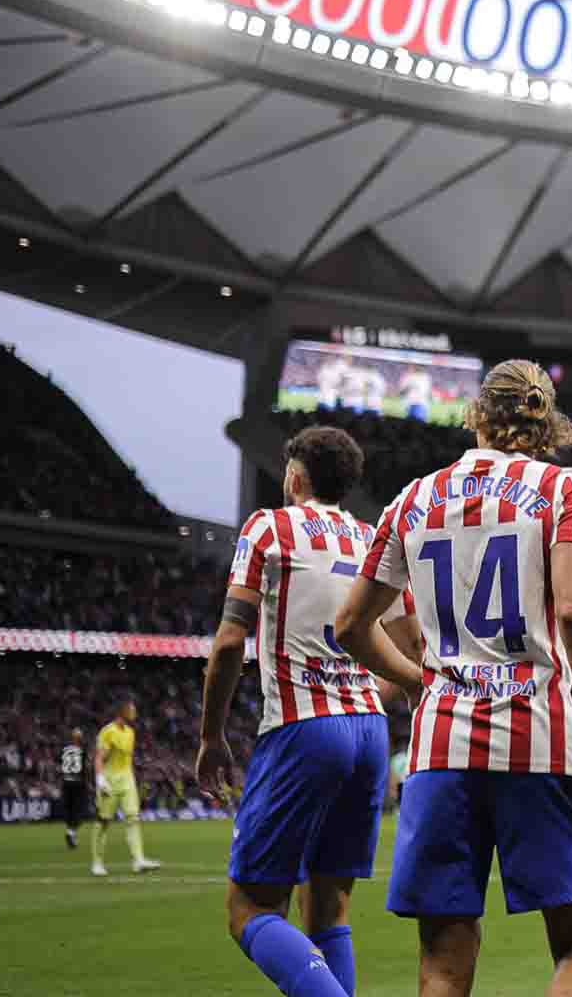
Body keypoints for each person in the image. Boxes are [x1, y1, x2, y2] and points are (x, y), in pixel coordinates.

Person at [334, 358, 572, 997]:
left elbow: (352, 625)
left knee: (442, 964)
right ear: (546, 422)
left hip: (441, 750)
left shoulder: (411, 500)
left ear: (476, 417)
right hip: (539, 742)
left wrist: (420, 682)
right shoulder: (565, 489)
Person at [197, 425, 410, 997]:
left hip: (303, 727)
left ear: (294, 476)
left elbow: (229, 642)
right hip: (368, 731)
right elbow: (411, 645)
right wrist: (364, 694)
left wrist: (211, 736)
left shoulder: (269, 527)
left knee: (250, 908)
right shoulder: (372, 539)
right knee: (329, 909)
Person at [92, 698, 160, 876]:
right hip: (110, 781)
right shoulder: (108, 732)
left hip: (127, 779)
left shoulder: (130, 732)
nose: (134, 712)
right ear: (122, 711)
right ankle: (97, 862)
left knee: (132, 818)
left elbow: (127, 759)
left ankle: (138, 860)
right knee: (103, 821)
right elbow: (99, 757)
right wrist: (100, 779)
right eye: (132, 709)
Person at [59, 727, 87, 849]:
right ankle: (71, 833)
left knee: (69, 811)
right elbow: (83, 768)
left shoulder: (64, 749)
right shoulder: (82, 750)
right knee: (80, 811)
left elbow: (61, 765)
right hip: (77, 783)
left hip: (66, 782)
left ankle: (71, 834)